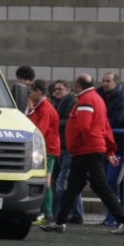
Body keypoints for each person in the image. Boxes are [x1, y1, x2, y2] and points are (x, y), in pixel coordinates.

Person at [42, 74, 124, 235]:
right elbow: (105, 126)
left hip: (86, 150)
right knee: (74, 186)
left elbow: (83, 126)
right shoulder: (97, 99)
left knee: (96, 186)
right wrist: (110, 149)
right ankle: (60, 221)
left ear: (78, 85)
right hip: (89, 149)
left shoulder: (86, 100)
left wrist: (75, 144)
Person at [98, 71, 124, 226]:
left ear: (116, 83)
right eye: (104, 81)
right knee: (106, 182)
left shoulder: (122, 100)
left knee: (111, 181)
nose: (105, 83)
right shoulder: (101, 94)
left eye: (108, 81)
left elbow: (117, 121)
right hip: (106, 146)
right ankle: (113, 215)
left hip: (117, 147)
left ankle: (116, 216)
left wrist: (99, 123)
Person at [26, 79, 59, 225]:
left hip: (48, 150)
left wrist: (31, 110)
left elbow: (39, 130)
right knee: (46, 181)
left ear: (39, 91)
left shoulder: (45, 109)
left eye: (32, 91)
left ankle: (48, 215)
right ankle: (46, 214)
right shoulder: (42, 107)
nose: (30, 94)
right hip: (47, 149)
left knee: (46, 182)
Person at [51, 79, 83, 223]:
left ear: (69, 90)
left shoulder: (71, 102)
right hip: (60, 147)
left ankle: (68, 214)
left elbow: (70, 121)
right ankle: (73, 213)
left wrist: (54, 123)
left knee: (62, 184)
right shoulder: (57, 103)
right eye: (55, 89)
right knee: (65, 184)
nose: (57, 92)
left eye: (60, 89)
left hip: (68, 148)